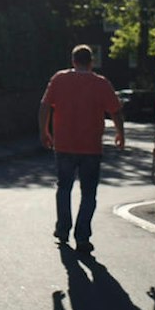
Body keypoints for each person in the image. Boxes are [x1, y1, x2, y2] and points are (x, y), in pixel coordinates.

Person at [40, 44, 124, 253]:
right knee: (88, 194)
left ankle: (62, 229)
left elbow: (45, 105)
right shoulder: (101, 83)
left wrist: (44, 131)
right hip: (91, 147)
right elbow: (116, 110)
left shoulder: (59, 79)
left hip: (64, 144)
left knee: (64, 188)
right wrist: (120, 133)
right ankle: (82, 236)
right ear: (91, 62)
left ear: (73, 60)